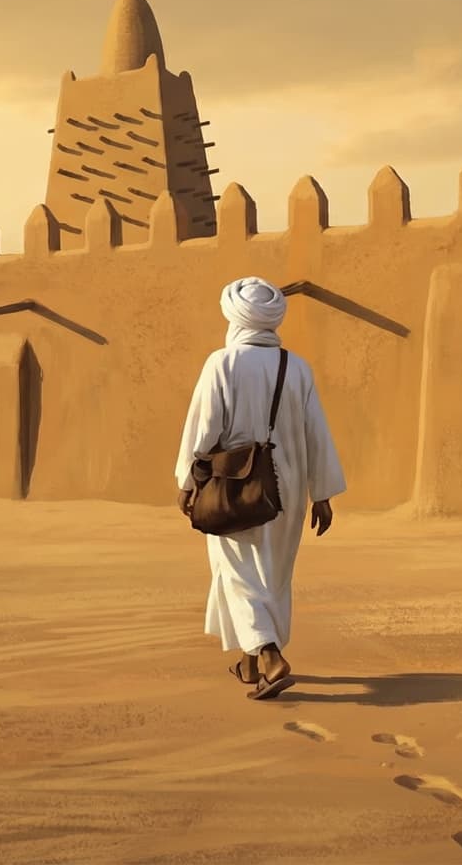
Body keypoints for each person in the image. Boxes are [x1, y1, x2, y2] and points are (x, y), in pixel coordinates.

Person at [175, 276, 346, 701]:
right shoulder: (296, 366)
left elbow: (204, 429)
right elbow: (316, 432)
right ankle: (250, 665)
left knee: (236, 571)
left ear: (233, 316)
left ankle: (269, 655)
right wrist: (321, 492)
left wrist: (187, 481)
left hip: (234, 484)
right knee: (272, 575)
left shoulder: (223, 363)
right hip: (286, 487)